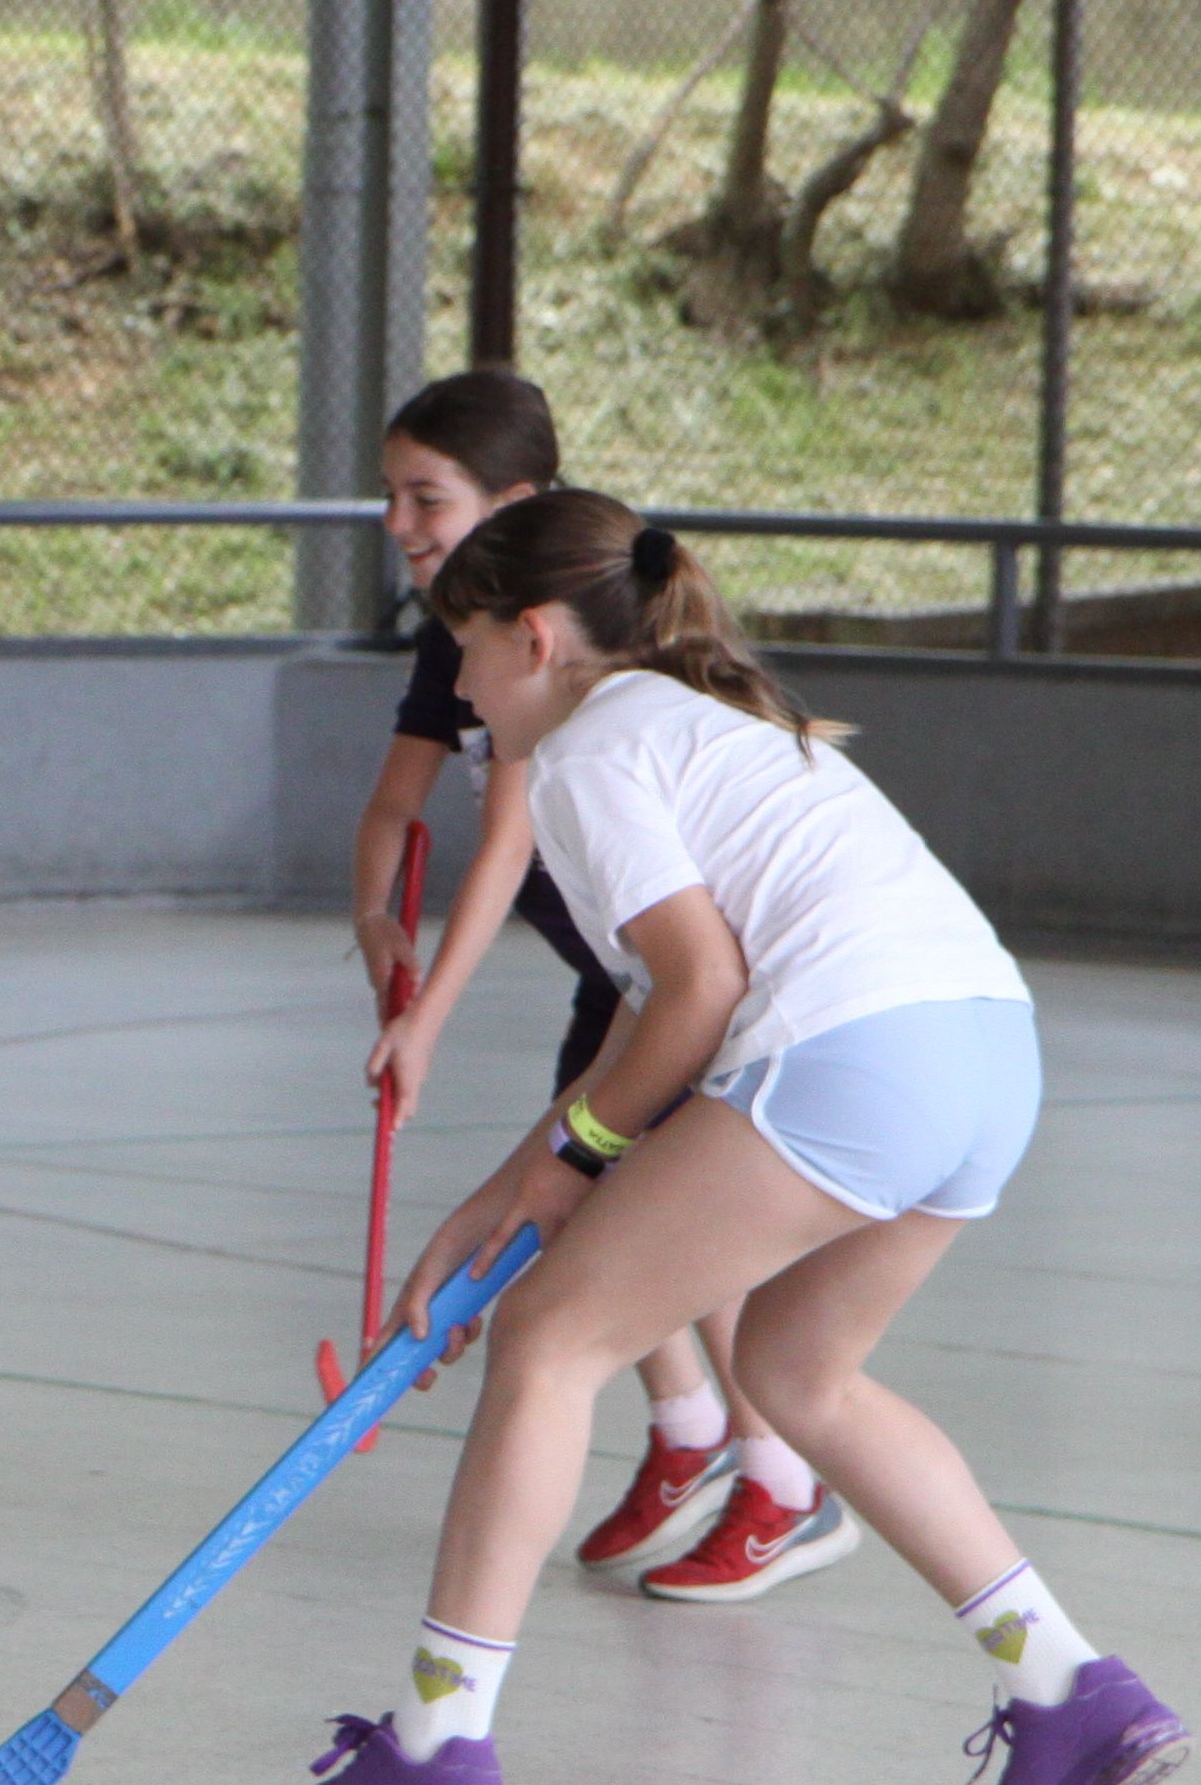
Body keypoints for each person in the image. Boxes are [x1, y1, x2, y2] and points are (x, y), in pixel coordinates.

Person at [254, 493, 1185, 1785]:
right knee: (800, 1373)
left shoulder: (585, 752)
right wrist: (511, 1192)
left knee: (549, 1343)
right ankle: (1068, 1688)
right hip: (985, 1054)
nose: (456, 691)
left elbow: (701, 991)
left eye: (463, 651)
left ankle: (436, 1753)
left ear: (533, 638)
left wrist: (579, 1162)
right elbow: (646, 1017)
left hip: (853, 1054)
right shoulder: (703, 720)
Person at [350, 371, 836, 1599]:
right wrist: (373, 913)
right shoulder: (467, 637)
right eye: (391, 495)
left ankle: (782, 1477)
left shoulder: (559, 674)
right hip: (619, 978)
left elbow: (504, 842)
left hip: (682, 991)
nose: (399, 523)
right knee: (605, 1203)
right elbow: (398, 801)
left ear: (514, 504)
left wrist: (428, 1018)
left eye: (427, 498)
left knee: (662, 1217)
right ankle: (689, 1431)